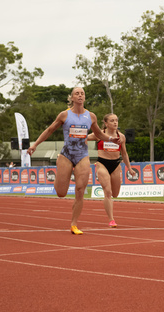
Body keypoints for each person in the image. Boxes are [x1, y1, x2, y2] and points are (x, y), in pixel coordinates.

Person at [27, 87, 122, 235]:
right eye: (77, 93)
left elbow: (98, 134)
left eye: (82, 93)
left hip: (82, 156)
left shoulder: (91, 116)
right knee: (61, 193)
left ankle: (74, 224)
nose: (80, 95)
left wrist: (111, 139)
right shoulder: (64, 115)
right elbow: (49, 130)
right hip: (66, 155)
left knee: (80, 190)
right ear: (71, 98)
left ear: (84, 98)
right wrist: (35, 145)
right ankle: (59, 172)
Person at [86, 113, 136, 227]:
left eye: (116, 120)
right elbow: (84, 137)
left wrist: (129, 168)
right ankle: (111, 220)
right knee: (107, 193)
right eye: (112, 120)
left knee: (115, 194)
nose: (115, 122)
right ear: (106, 123)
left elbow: (124, 153)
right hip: (102, 163)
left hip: (116, 165)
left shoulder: (121, 136)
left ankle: (111, 216)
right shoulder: (99, 134)